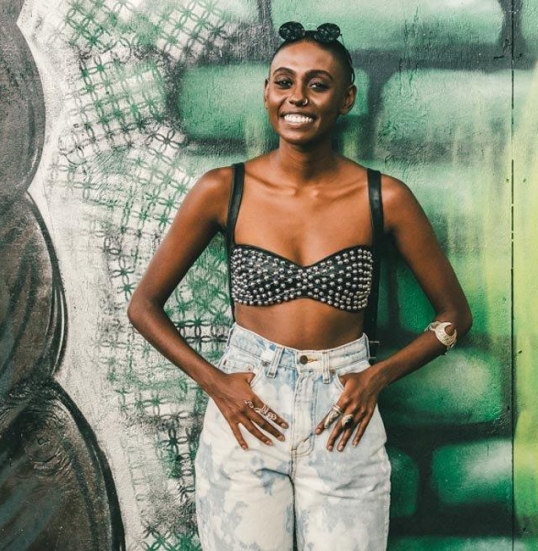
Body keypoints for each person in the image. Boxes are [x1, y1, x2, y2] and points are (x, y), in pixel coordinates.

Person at [127, 21, 472, 550]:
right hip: (248, 413)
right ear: (267, 91)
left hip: (342, 416)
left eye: (318, 84)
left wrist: (376, 378)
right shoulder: (224, 189)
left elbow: (454, 316)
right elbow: (144, 307)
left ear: (345, 98)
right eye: (284, 82)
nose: (298, 98)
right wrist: (216, 384)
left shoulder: (385, 198)